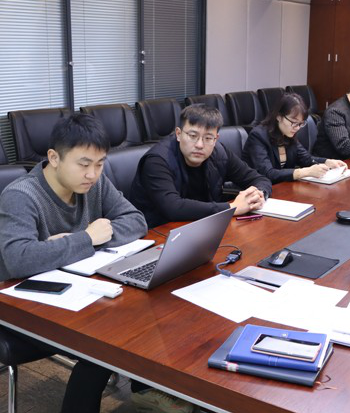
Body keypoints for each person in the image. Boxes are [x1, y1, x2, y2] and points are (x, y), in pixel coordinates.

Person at [0, 113, 148, 412]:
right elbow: (19, 259)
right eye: (83, 164)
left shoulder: (95, 183)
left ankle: (148, 390)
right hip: (23, 305)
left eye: (100, 164)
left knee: (139, 317)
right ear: (54, 158)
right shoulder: (20, 195)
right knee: (105, 344)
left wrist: (88, 239)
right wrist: (87, 238)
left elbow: (136, 220)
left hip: (76, 292)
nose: (92, 174)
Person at [130, 104, 272, 228]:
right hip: (159, 232)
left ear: (216, 139)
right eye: (193, 136)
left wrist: (258, 195)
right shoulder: (157, 161)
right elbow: (173, 207)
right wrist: (232, 207)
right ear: (178, 134)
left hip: (202, 225)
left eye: (208, 138)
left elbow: (259, 179)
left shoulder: (220, 153)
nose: (199, 145)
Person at [242, 93, 346, 183]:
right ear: (279, 117)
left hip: (282, 187)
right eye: (294, 122)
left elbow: (306, 159)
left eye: (300, 124)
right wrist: (303, 172)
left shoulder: (288, 134)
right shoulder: (258, 136)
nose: (297, 128)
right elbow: (268, 173)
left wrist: (327, 162)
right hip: (257, 190)